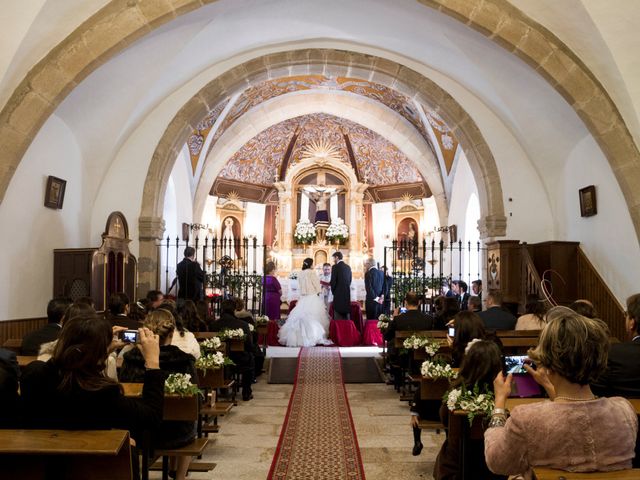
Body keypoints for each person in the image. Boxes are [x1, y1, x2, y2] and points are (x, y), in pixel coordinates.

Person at [485, 307, 638, 479]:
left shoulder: (527, 418)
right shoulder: (624, 411)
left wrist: (499, 404)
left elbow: (497, 461)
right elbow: (578, 412)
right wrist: (551, 387)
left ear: (548, 361)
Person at [20, 313, 165, 444]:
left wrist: (99, 352)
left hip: (40, 465)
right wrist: (152, 362)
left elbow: (72, 367)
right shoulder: (102, 392)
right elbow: (151, 418)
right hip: (87, 469)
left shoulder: (33, 373)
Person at [120, 310, 197, 480]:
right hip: (176, 434)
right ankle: (180, 476)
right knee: (190, 417)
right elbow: (194, 400)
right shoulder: (184, 360)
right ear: (172, 332)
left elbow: (124, 394)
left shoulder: (131, 358)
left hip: (138, 432)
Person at [433, 340, 504, 479]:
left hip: (458, 462)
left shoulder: (456, 394)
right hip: (494, 466)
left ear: (467, 363)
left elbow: (444, 420)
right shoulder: (503, 396)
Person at [592, 293, 640, 398]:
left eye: (626, 314)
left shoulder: (613, 353)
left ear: (632, 322)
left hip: (619, 413)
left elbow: (596, 389)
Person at [384, 291, 434, 389]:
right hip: (423, 356)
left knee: (392, 346)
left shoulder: (399, 319)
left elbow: (387, 336)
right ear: (419, 303)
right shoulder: (429, 319)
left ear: (406, 302)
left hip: (402, 357)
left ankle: (398, 380)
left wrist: (394, 318)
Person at [279, 258, 330, 347]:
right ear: (310, 264)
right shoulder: (312, 272)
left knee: (300, 314)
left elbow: (300, 285)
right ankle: (313, 336)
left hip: (303, 298)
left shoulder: (300, 273)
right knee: (314, 316)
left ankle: (297, 338)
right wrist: (319, 291)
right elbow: (317, 285)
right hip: (312, 297)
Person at [211, 299, 255, 401]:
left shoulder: (214, 325)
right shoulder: (242, 325)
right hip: (240, 360)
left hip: (220, 359)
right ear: (234, 310)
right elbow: (249, 345)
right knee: (250, 358)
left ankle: (223, 390)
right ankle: (246, 392)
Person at [234, 297, 265, 378]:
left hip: (232, 350)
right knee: (259, 356)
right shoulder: (247, 317)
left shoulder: (231, 317)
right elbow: (255, 334)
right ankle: (254, 375)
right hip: (247, 347)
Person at [330, 251, 352, 320]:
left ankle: (339, 329)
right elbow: (350, 280)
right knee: (346, 314)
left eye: (334, 258)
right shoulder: (348, 267)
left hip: (338, 294)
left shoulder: (335, 267)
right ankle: (347, 329)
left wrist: (334, 292)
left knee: (338, 315)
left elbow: (333, 282)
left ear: (337, 257)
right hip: (346, 293)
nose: (333, 260)